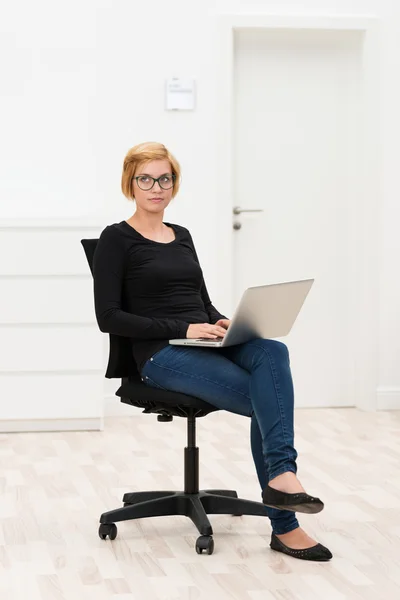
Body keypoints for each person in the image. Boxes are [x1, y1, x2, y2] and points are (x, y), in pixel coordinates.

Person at [93, 141, 332, 561]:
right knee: (266, 399)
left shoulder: (181, 235)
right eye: (145, 178)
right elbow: (109, 317)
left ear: (174, 183)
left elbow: (198, 299)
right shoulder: (117, 239)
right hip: (158, 356)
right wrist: (184, 328)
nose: (156, 187)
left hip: (203, 338)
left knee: (271, 351)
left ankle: (282, 475)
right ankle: (286, 522)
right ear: (130, 184)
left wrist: (223, 322)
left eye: (164, 178)